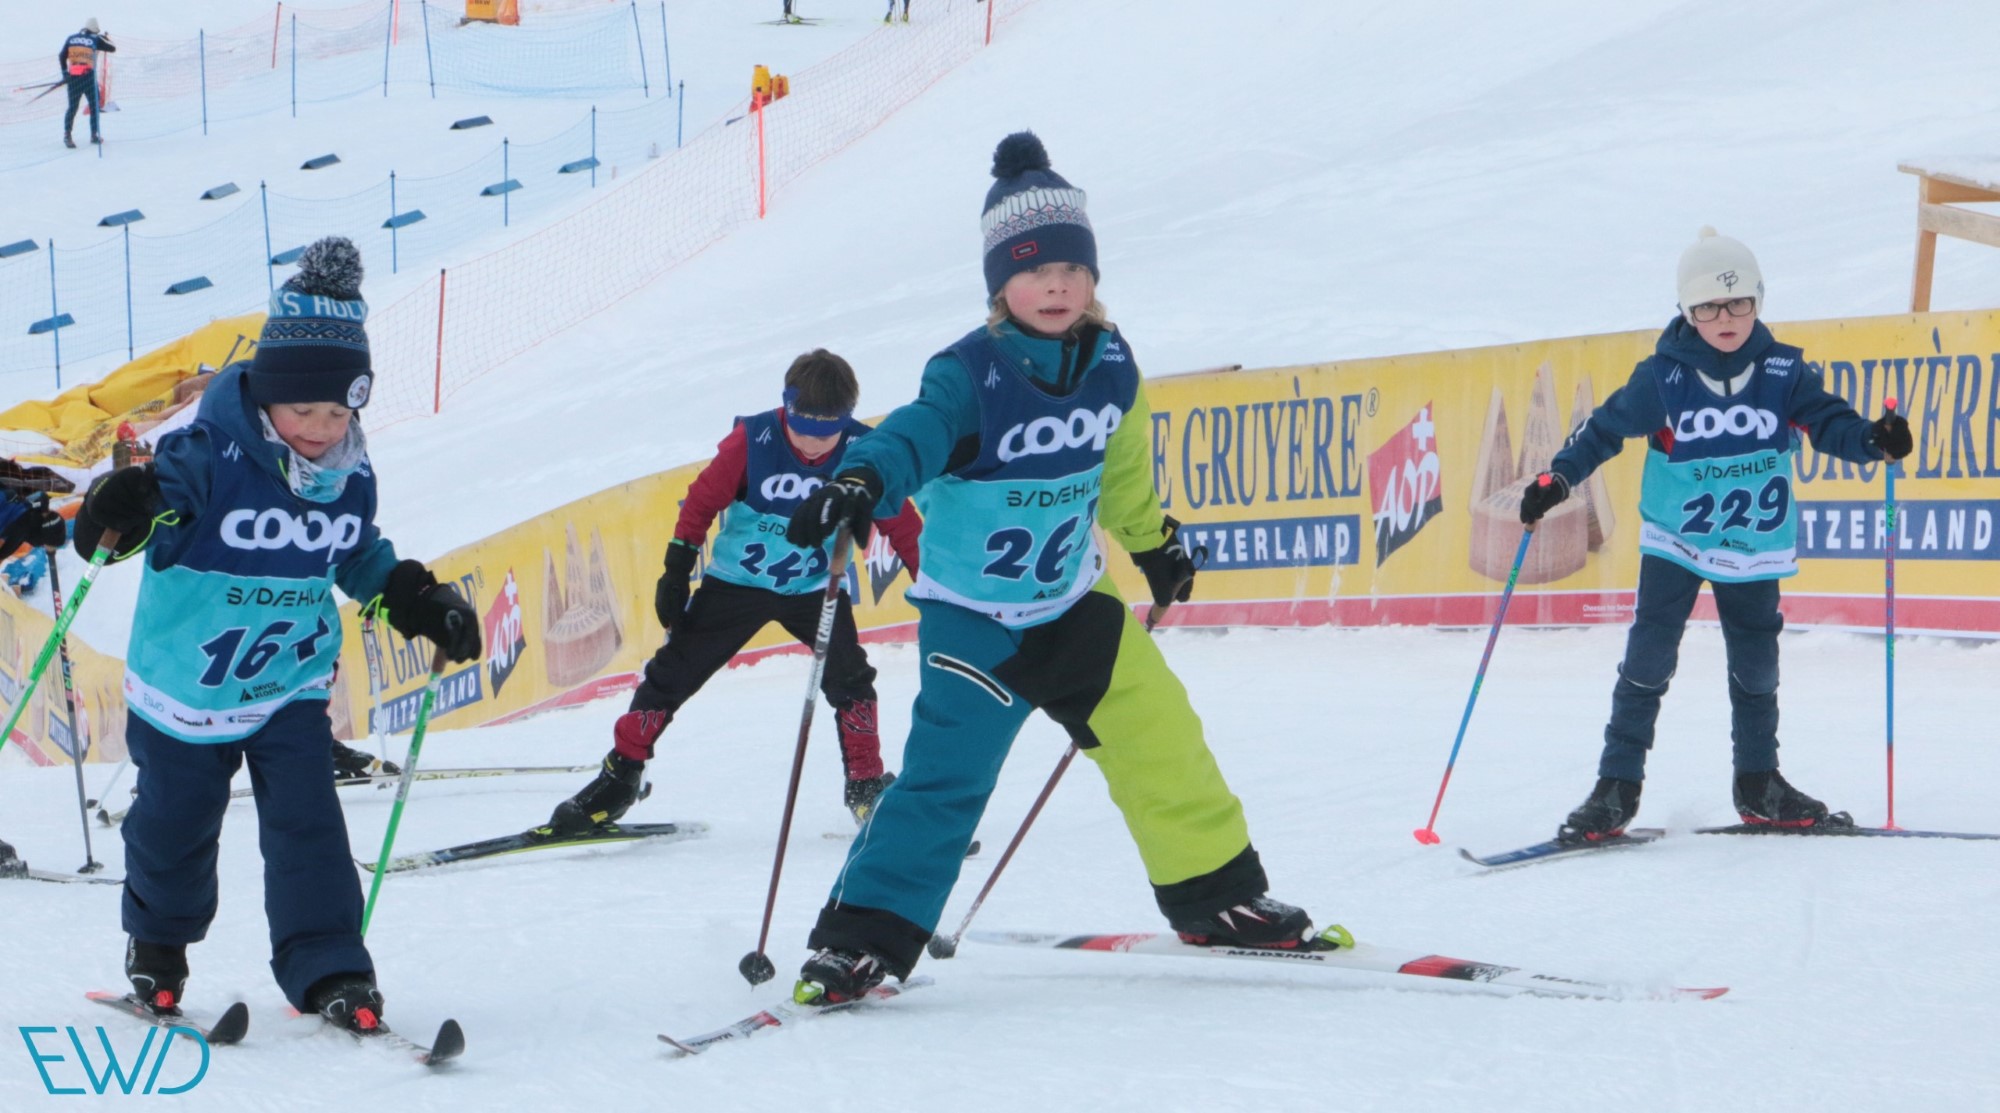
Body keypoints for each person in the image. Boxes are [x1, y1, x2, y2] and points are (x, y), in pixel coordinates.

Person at [782, 132, 1317, 1005]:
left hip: (1074, 605)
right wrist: (861, 479)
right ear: (1001, 284)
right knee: (943, 785)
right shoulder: (970, 373)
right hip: (975, 624)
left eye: (1072, 267)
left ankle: (1216, 897)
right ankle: (860, 942)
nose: (1057, 284)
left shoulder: (1111, 364)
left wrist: (1153, 543)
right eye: (1034, 269)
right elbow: (913, 434)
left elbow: (1124, 474)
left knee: (1161, 737)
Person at [74, 237, 481, 1033]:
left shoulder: (348, 473)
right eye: (305, 410)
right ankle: (157, 951)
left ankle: (330, 967)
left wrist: (414, 596)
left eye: (340, 412)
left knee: (308, 825)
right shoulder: (206, 457)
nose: (322, 428)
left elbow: (354, 553)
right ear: (267, 396)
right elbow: (133, 521)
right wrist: (111, 510)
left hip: (287, 683)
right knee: (173, 828)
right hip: (185, 688)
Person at [1521, 227, 1913, 843]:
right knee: (1649, 657)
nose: (1725, 318)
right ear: (1686, 311)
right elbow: (1603, 430)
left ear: (1758, 299)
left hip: (1753, 546)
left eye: (1738, 303)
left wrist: (1873, 440)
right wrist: (1560, 477)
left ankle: (1759, 783)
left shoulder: (1783, 371)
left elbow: (1829, 422)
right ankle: (1615, 788)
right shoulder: (1663, 378)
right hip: (1676, 537)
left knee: (1756, 664)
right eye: (1707, 307)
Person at [548, 350, 922, 835]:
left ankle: (866, 788)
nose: (813, 446)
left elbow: (903, 526)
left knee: (851, 680)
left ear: (847, 418)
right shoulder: (754, 440)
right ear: (786, 407)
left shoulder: (864, 452)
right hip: (736, 584)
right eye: (802, 430)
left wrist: (932, 587)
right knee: (671, 674)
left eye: (827, 433)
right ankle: (621, 777)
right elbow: (702, 501)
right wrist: (676, 568)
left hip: (814, 589)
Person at [58, 18, 115, 149]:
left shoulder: (71, 38)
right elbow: (112, 48)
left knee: (72, 108)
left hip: (73, 78)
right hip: (88, 78)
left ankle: (67, 135)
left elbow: (61, 56)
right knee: (95, 106)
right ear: (95, 30)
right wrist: (104, 38)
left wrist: (65, 73)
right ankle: (94, 135)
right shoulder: (95, 39)